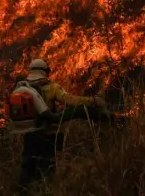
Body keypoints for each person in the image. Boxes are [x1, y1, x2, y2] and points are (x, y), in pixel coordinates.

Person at [16, 58, 107, 189]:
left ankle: (22, 191)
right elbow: (70, 100)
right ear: (45, 72)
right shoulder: (52, 88)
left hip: (29, 135)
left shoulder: (22, 88)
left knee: (28, 168)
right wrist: (93, 101)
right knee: (47, 169)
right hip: (48, 135)